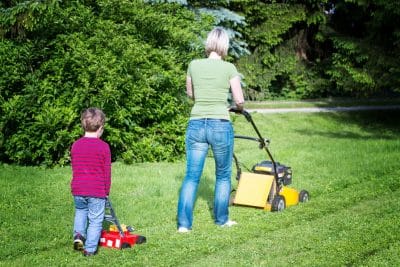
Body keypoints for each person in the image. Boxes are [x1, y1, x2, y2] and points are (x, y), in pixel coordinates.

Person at [177, 27, 245, 233]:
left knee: (191, 176)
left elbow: (191, 94)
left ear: (208, 44)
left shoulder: (193, 65)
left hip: (196, 123)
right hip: (220, 124)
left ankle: (183, 225)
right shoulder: (229, 68)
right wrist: (234, 107)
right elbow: (239, 100)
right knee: (223, 175)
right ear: (224, 45)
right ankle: (222, 220)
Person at [70, 107, 111, 256]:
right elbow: (107, 172)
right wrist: (106, 191)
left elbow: (75, 167)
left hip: (78, 189)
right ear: (100, 128)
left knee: (80, 211)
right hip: (96, 190)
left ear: (83, 125)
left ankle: (79, 235)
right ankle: (90, 249)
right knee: (95, 220)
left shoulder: (76, 145)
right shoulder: (104, 147)